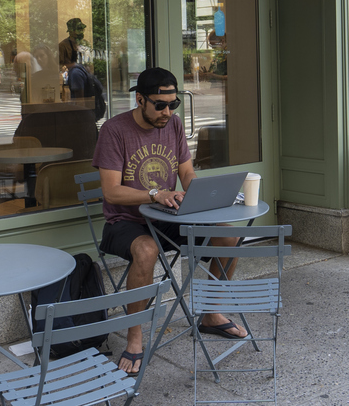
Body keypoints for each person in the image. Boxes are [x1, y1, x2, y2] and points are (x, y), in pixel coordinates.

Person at [91, 67, 247, 376]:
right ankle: (135, 338)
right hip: (125, 223)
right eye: (160, 105)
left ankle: (210, 314)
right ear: (140, 100)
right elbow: (111, 192)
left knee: (229, 236)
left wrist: (204, 195)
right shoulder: (114, 130)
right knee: (147, 250)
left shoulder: (173, 125)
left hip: (167, 215)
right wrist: (155, 193)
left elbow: (186, 174)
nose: (167, 112)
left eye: (173, 104)